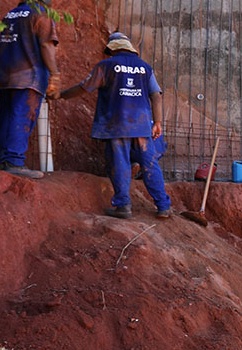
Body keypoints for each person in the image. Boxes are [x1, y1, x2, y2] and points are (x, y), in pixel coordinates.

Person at [59, 32, 172, 220]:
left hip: (117, 123)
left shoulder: (106, 65)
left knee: (120, 163)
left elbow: (83, 87)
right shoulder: (145, 67)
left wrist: (61, 95)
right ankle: (163, 206)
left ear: (112, 48)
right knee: (150, 164)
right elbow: (156, 96)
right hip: (142, 125)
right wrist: (158, 122)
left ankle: (123, 206)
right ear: (129, 48)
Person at [0, 0, 59, 179]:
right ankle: (15, 161)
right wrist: (55, 74)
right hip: (29, 76)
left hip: (6, 74)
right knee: (22, 116)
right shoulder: (40, 15)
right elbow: (46, 46)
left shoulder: (9, 15)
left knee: (6, 115)